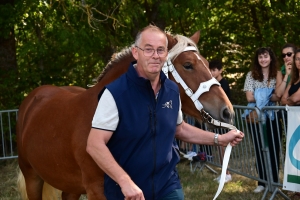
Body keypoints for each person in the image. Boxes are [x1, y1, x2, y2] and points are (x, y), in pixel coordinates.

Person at [86, 25, 244, 200]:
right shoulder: (114, 93)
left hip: (167, 185)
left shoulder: (171, 89)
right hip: (127, 191)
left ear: (166, 55)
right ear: (135, 53)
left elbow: (180, 129)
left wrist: (219, 139)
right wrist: (124, 181)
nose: (155, 55)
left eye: (160, 50)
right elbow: (94, 144)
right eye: (148, 49)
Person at [243, 47, 281, 193]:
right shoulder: (251, 75)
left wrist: (259, 95)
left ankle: (274, 182)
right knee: (260, 148)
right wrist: (267, 95)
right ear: (257, 60)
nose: (263, 59)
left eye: (266, 56)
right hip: (255, 116)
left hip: (273, 116)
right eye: (260, 57)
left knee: (273, 148)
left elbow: (278, 96)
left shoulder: (277, 74)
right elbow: (249, 97)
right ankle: (262, 182)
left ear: (271, 58)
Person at [209, 59, 232, 183]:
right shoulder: (213, 83)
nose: (212, 73)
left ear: (220, 70)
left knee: (223, 146)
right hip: (217, 118)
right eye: (210, 70)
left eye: (214, 70)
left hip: (224, 118)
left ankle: (227, 173)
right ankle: (224, 172)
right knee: (219, 147)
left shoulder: (223, 83)